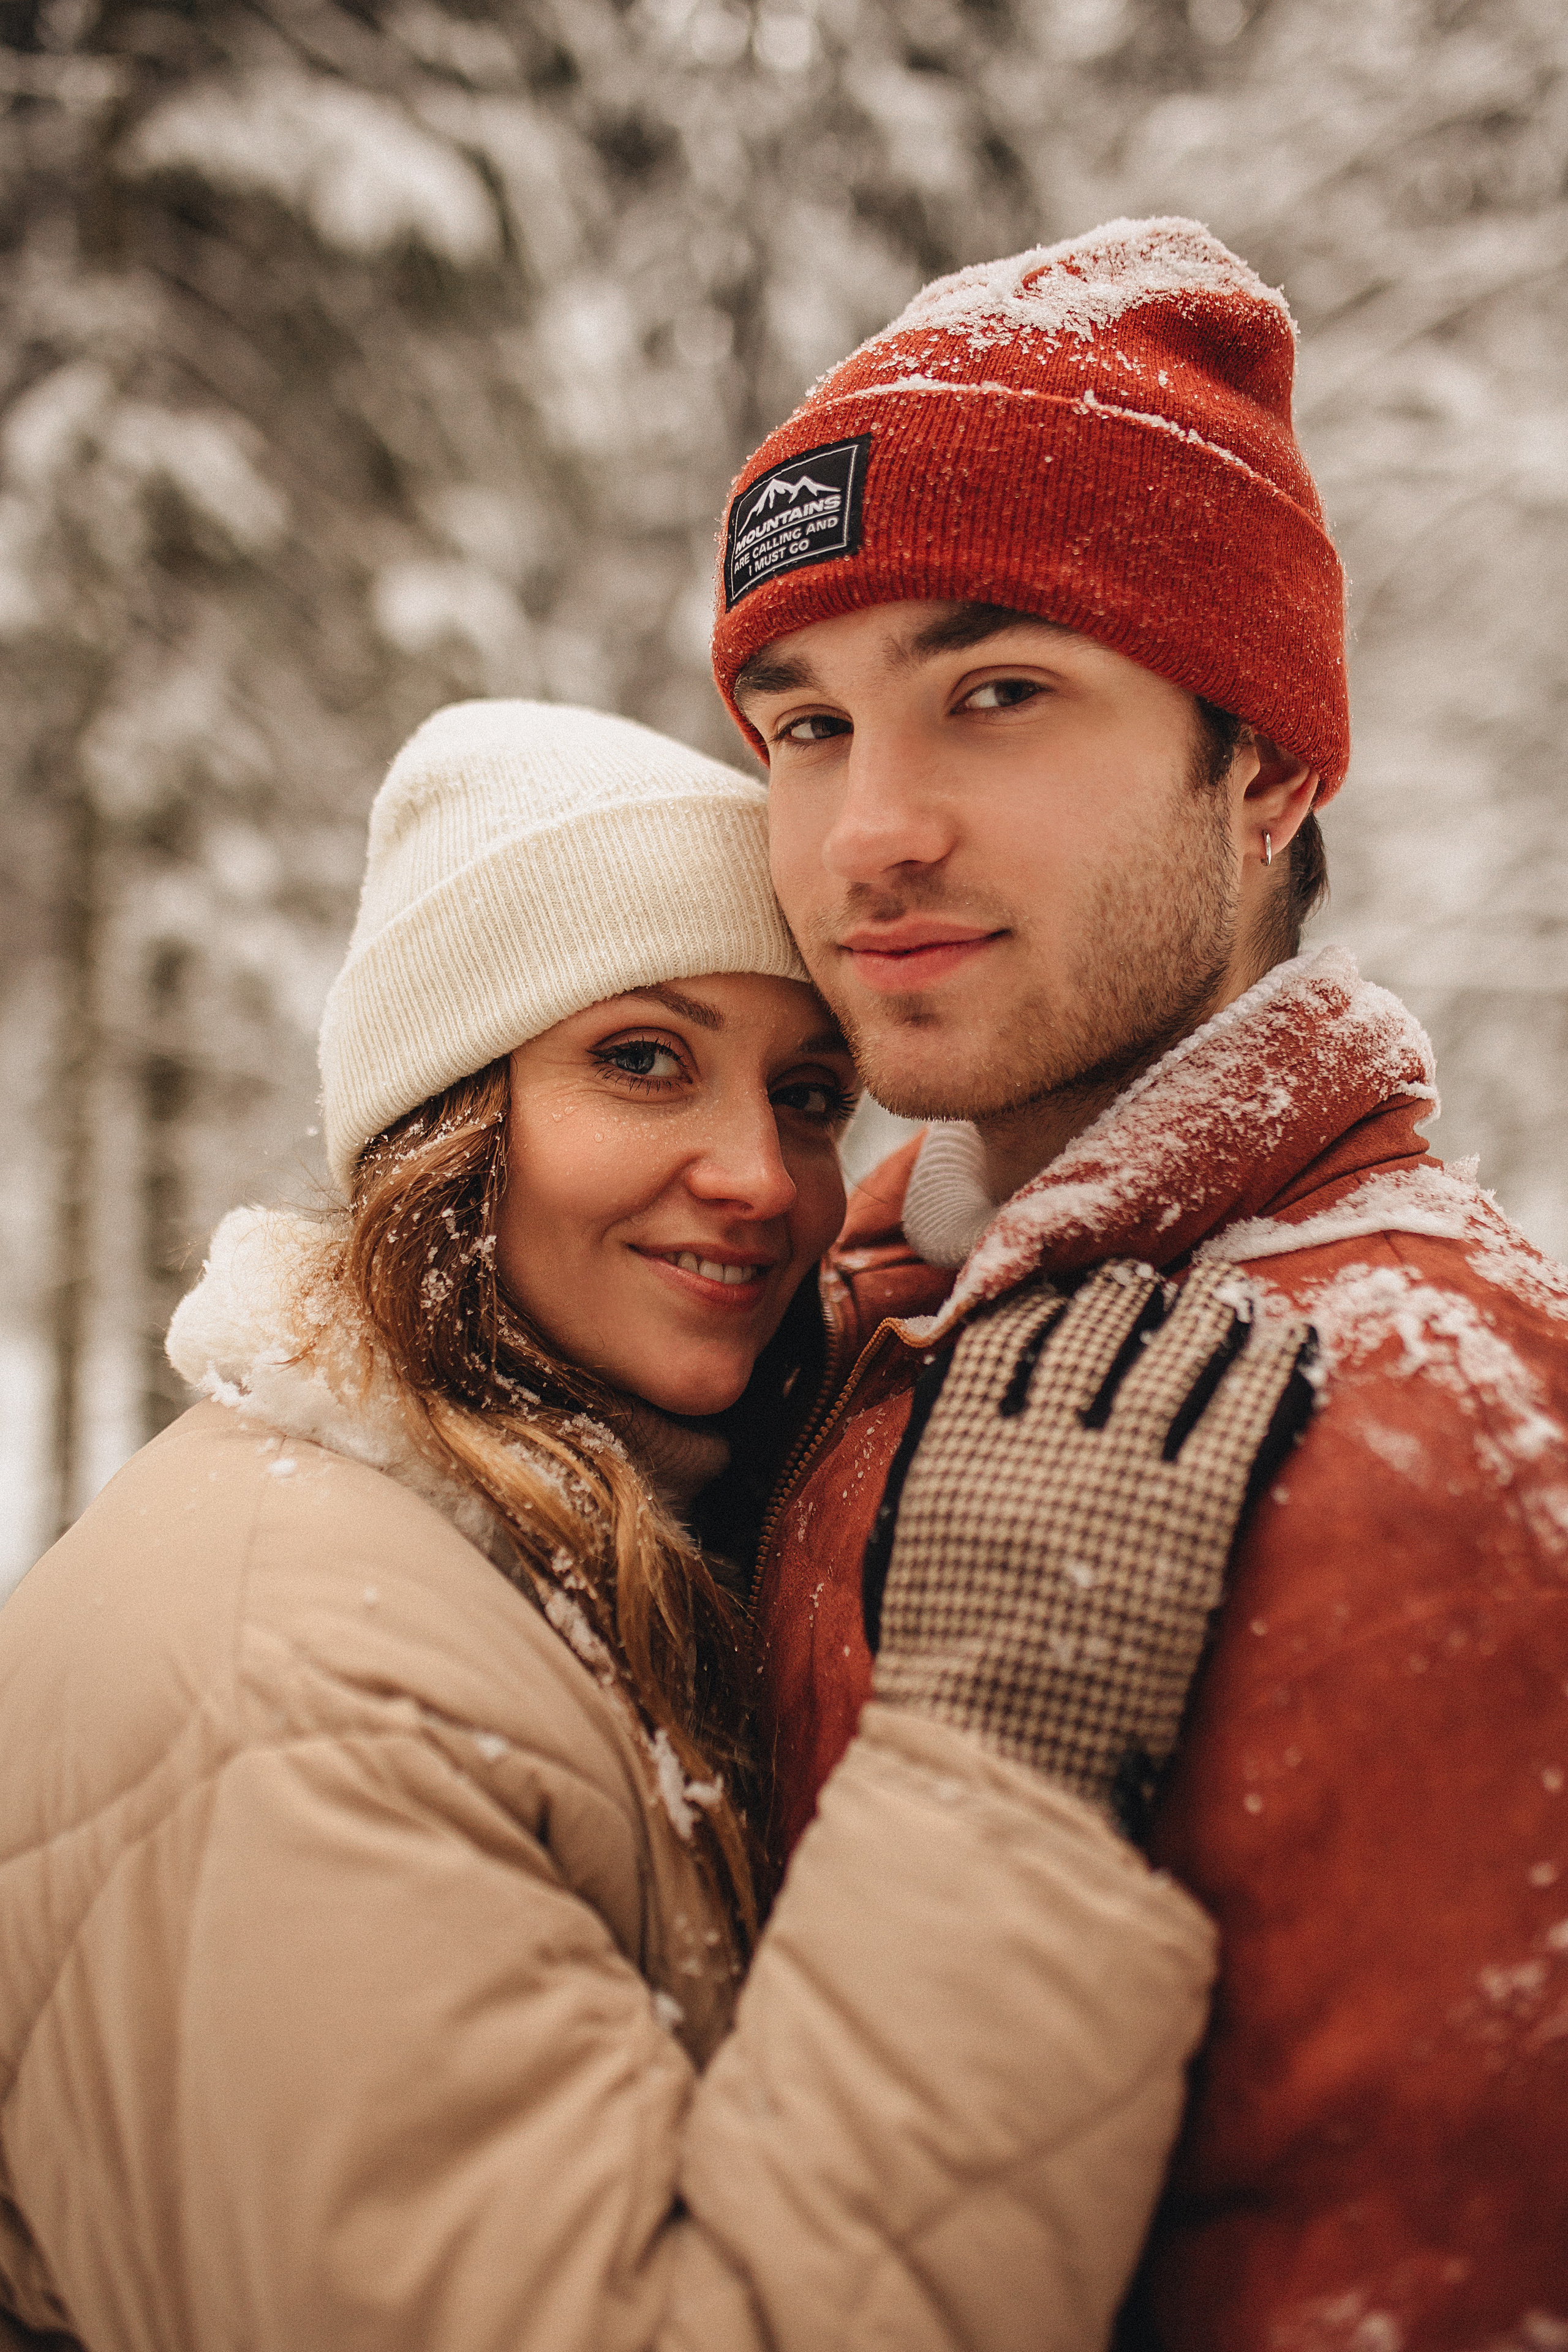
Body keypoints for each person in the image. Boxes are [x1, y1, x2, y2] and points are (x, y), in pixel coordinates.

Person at [0, 698, 1312, 2352]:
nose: (762, 1179)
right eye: (642, 1061)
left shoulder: (520, 1542)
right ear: (448, 1114)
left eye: (813, 1094)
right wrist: (1004, 1755)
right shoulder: (298, 1697)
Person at [709, 216, 1568, 2346]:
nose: (866, 835)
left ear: (1265, 769)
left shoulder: (1402, 1415)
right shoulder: (884, 1320)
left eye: (996, 695)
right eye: (804, 726)